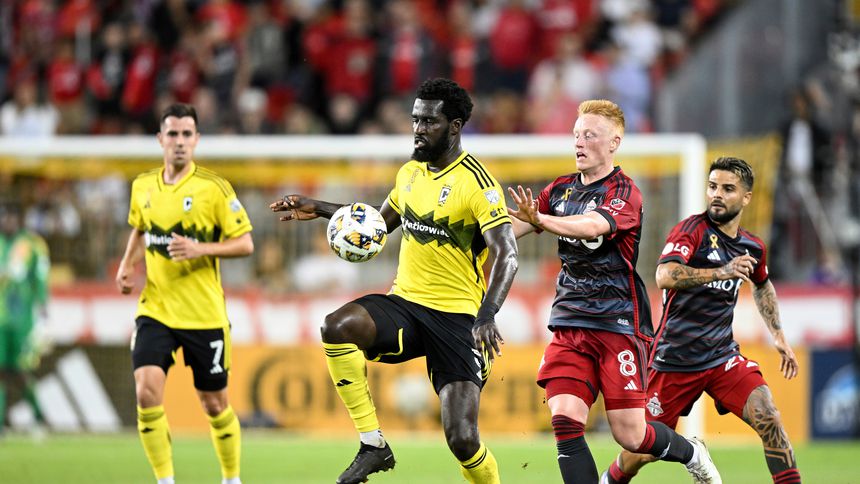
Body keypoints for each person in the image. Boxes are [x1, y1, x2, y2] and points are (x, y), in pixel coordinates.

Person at [270, 78, 518, 484]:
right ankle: (373, 445)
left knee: (463, 440)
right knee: (337, 326)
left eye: (429, 122)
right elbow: (379, 224)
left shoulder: (477, 183)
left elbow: (508, 253)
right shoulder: (410, 173)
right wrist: (320, 209)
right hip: (406, 303)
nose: (418, 129)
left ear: (455, 127)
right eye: (415, 119)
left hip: (458, 317)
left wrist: (487, 315)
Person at [506, 99, 721, 484]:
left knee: (631, 435)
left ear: (614, 142)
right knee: (565, 419)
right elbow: (514, 227)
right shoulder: (559, 189)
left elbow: (592, 226)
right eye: (576, 134)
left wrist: (539, 218)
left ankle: (692, 452)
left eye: (590, 135)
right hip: (570, 320)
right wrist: (474, 226)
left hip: (616, 323)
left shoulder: (625, 192)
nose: (579, 142)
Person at [601, 157, 802, 484]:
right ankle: (608, 480)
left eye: (727, 189)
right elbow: (664, 275)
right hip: (674, 360)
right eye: (712, 187)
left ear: (746, 197)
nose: (717, 194)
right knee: (642, 450)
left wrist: (778, 335)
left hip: (721, 358)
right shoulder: (691, 231)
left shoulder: (752, 246)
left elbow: (762, 284)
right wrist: (721, 272)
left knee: (769, 417)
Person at [115, 104, 254, 484]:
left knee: (215, 404)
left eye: (187, 134)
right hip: (156, 308)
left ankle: (231, 478)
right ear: (160, 139)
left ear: (197, 140)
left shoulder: (214, 188)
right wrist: (127, 265)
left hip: (203, 315)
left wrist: (199, 249)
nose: (179, 141)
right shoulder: (143, 185)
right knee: (146, 393)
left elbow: (245, 244)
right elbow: (140, 228)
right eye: (173, 134)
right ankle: (165, 481)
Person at [0, 200, 50, 433]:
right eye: (3, 216)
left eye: (10, 216)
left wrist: (43, 307)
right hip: (0, 320)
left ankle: (39, 416)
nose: (6, 221)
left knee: (20, 372)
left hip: (22, 320)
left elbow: (40, 277)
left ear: (18, 219)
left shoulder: (32, 245)